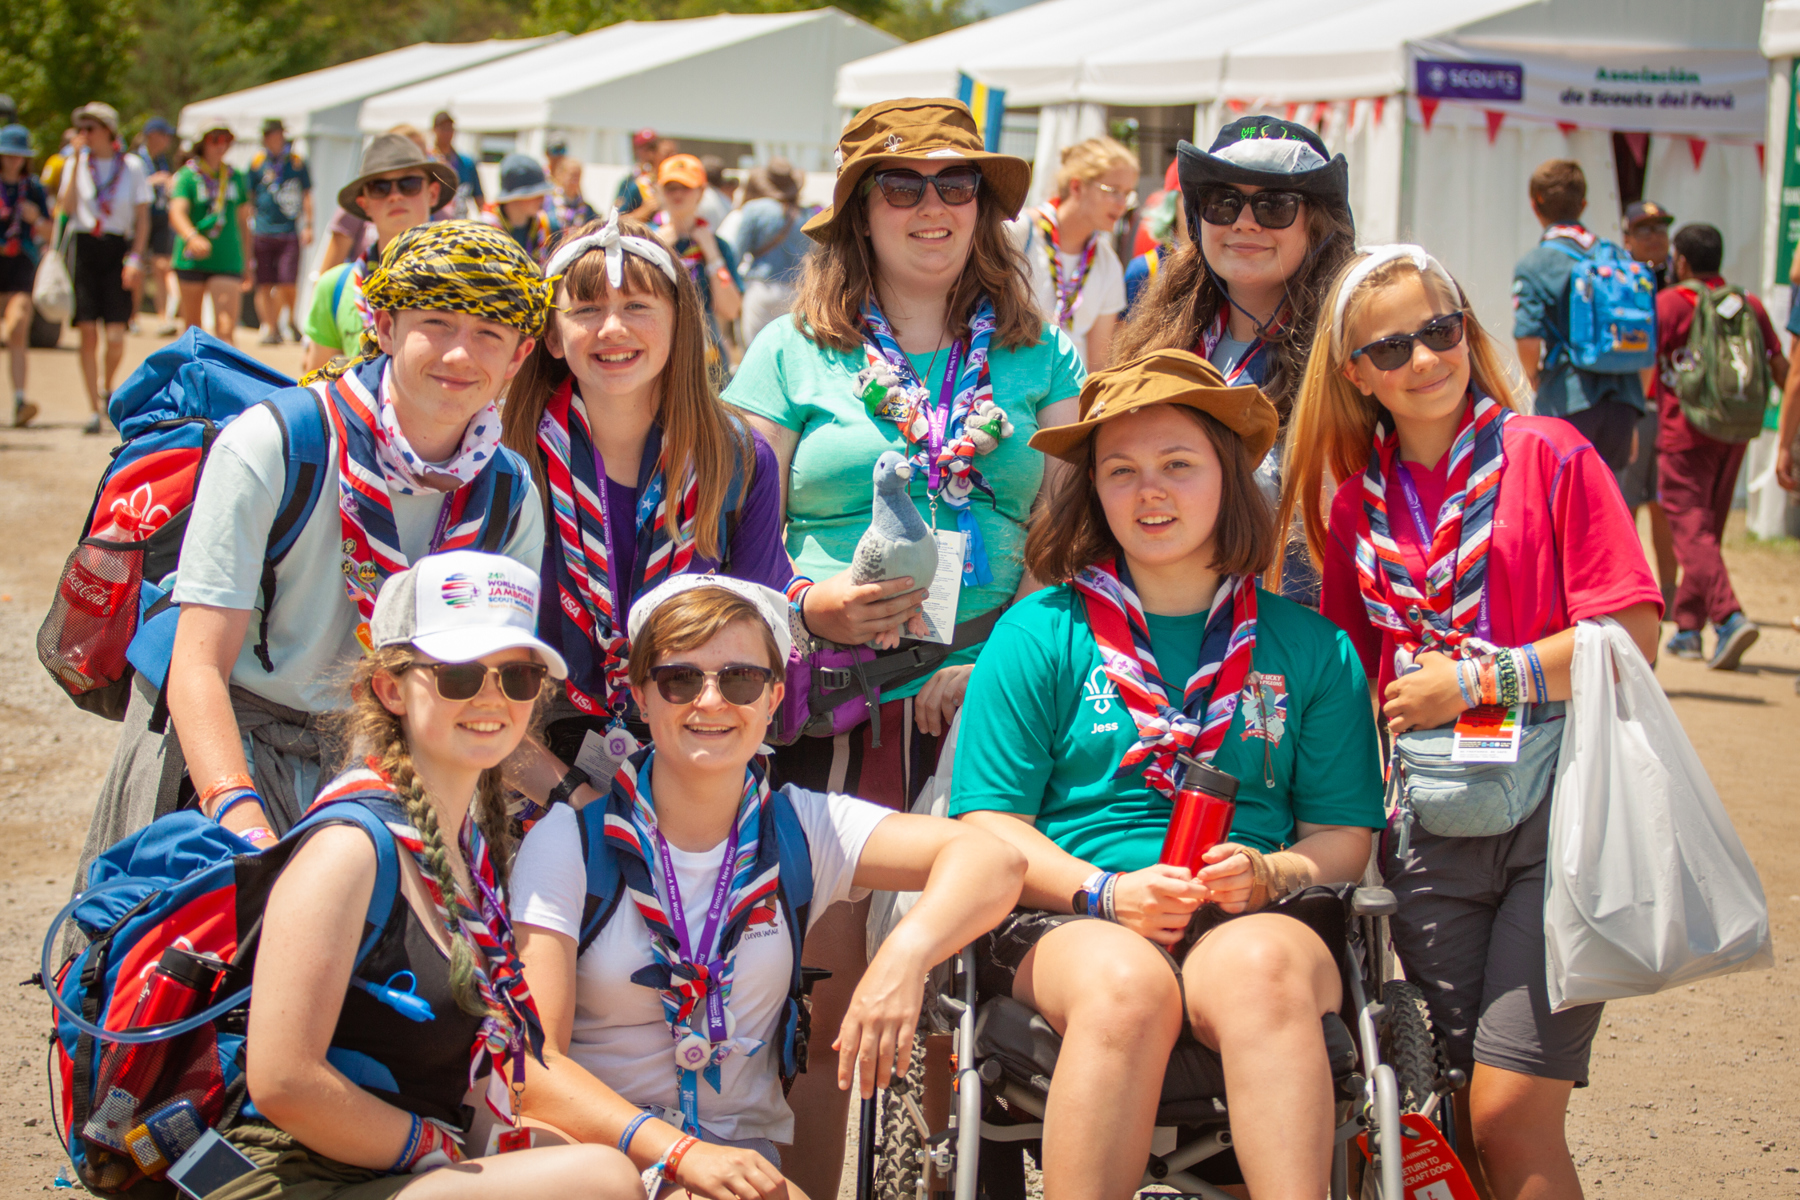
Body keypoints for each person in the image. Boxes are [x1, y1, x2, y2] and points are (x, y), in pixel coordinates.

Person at [724, 96, 1083, 1200]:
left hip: (998, 702)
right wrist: (810, 602)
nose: (933, 207)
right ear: (857, 210)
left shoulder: (1042, 354)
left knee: (959, 985)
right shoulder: (789, 351)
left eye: (957, 184)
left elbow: (1071, 541)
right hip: (834, 699)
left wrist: (1004, 661)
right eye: (903, 185)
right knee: (828, 991)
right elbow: (732, 540)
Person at [951, 349, 1385, 1200]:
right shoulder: (1037, 633)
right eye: (1122, 472)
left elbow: (1345, 837)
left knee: (1262, 972)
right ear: (1094, 492)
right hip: (1076, 916)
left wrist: (1275, 871)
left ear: (1228, 477)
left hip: (1258, 916)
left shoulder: (1313, 646)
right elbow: (989, 829)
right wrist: (1105, 893)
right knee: (1127, 985)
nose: (1150, 493)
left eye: (1178, 466)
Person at [1282, 244, 1662, 1200]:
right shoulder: (1353, 506)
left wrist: (1481, 680)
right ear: (1357, 376)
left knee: (1509, 1112)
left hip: (1560, 819)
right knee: (1452, 1106)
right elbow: (1342, 680)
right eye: (1391, 347)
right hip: (1429, 830)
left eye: (1440, 330)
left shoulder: (1550, 454)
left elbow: (1634, 633)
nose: (1423, 360)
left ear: (1469, 330)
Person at [74, 221, 551, 898]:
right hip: (225, 744)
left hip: (386, 765)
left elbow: (489, 694)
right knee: (193, 978)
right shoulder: (279, 444)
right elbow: (199, 663)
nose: (458, 354)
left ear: (520, 355)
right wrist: (244, 825)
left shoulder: (507, 494)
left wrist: (580, 801)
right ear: (384, 326)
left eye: (489, 335)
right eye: (436, 322)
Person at [508, 574, 1025, 1189]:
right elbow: (534, 1070)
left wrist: (905, 956)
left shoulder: (802, 826)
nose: (710, 701)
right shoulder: (571, 840)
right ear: (642, 699)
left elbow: (995, 861)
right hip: (601, 1163)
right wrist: (681, 1156)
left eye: (740, 679)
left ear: (774, 697)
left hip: (741, 1170)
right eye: (680, 678)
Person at [229, 548, 645, 1198]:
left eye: (517, 675)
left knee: (589, 1163)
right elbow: (283, 1082)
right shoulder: (350, 848)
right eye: (457, 674)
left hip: (390, 1164)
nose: (491, 696)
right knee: (601, 1182)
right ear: (389, 688)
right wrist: (432, 1149)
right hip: (294, 1175)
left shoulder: (464, 844)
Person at [497, 210, 790, 816]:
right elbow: (465, 668)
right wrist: (571, 798)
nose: (612, 329)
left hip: (694, 763)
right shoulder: (505, 458)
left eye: (637, 306)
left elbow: (756, 649)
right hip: (527, 766)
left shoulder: (739, 460)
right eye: (584, 311)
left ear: (680, 323)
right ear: (552, 337)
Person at [1113, 115, 1357, 605]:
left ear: (1318, 223)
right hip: (1167, 630)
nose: (1245, 221)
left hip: (1299, 637)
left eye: (1274, 204)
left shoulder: (1354, 350)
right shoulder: (1158, 342)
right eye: (1223, 203)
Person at [1652, 223, 1786, 670]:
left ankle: (1728, 618)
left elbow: (1648, 367)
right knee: (1706, 528)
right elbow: (1778, 363)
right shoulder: (1748, 303)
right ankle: (1689, 628)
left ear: (1682, 261)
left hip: (1683, 430)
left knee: (1690, 528)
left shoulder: (1669, 303)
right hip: (1736, 432)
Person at [1511, 160, 1648, 476]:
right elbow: (1644, 337)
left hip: (1568, 396)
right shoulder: (1618, 255)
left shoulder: (1534, 264)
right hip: (1624, 398)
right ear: (1583, 204)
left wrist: (1533, 376)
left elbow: (1528, 337)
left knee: (1559, 504)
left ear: (1535, 204)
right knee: (1609, 506)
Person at [301, 134, 456, 375]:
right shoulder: (335, 287)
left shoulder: (463, 281)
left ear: (433, 193)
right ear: (364, 204)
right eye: (379, 188)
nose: (395, 195)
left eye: (409, 184)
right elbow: (317, 387)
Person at [58, 101, 151, 436]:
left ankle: (106, 384)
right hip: (84, 248)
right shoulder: (75, 164)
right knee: (86, 330)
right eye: (81, 129)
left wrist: (137, 257)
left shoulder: (132, 166)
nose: (84, 135)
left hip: (117, 249)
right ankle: (90, 408)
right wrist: (73, 161)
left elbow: (142, 217)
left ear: (108, 131)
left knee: (115, 333)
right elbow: (65, 210)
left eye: (90, 128)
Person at [1011, 136, 1136, 369]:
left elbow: (1098, 364)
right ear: (1077, 186)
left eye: (1127, 193)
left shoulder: (1107, 262)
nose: (1122, 203)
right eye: (1113, 191)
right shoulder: (1018, 233)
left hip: (1068, 398)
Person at [1618, 199, 1679, 612]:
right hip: (1634, 405)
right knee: (1626, 506)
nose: (1655, 236)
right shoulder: (1617, 278)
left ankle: (1672, 598)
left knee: (1668, 509)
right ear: (1627, 238)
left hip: (1675, 408)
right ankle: (1633, 597)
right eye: (1645, 230)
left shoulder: (1683, 277)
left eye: (1660, 228)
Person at [652, 154, 741, 378]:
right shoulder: (643, 239)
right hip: (656, 349)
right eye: (670, 187)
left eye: (686, 187)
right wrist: (656, 249)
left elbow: (731, 309)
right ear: (659, 191)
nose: (678, 194)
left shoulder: (717, 244)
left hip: (705, 355)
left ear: (701, 192)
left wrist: (712, 256)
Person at [169, 122, 253, 345]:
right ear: (202, 142)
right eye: (215, 139)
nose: (221, 145)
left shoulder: (235, 176)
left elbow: (243, 221)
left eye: (226, 140)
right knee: (192, 330)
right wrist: (191, 237)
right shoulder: (187, 175)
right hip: (192, 260)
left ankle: (223, 379)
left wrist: (247, 261)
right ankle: (192, 378)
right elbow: (177, 212)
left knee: (226, 329)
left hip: (227, 258)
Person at [0, 124, 51, 427]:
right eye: (8, 154)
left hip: (21, 262)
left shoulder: (33, 187)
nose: (14, 160)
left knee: (17, 327)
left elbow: (51, 230)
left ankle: (20, 400)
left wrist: (37, 218)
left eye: (20, 155)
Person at [729, 158, 809, 349]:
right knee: (788, 352)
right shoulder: (807, 215)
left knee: (753, 351)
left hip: (761, 288)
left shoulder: (754, 209)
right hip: (795, 292)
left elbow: (737, 254)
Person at [247, 117, 313, 344]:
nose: (274, 139)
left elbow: (307, 194)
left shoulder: (295, 162)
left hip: (288, 230)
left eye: (278, 134)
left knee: (288, 282)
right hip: (263, 230)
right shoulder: (257, 163)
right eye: (270, 135)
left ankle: (291, 319)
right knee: (264, 282)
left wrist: (308, 224)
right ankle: (269, 327)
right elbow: (250, 196)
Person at [136, 117, 181, 336]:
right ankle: (133, 316)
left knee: (162, 266)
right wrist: (153, 181)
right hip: (140, 218)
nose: (168, 140)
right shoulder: (136, 160)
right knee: (136, 265)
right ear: (153, 135)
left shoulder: (163, 160)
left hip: (161, 218)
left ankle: (164, 317)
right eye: (165, 135)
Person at [1123, 161, 1185, 319]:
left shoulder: (1223, 269)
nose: (1200, 206)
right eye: (1189, 196)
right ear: (1172, 202)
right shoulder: (1143, 271)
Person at [486, 153, 560, 266]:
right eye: (535, 194)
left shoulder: (549, 228)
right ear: (514, 197)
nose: (542, 199)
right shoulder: (486, 230)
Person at [432, 110, 485, 219]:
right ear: (434, 130)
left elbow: (479, 198)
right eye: (443, 128)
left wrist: (485, 221)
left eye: (450, 128)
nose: (448, 133)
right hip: (436, 226)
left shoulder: (467, 163)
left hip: (461, 223)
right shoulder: (428, 162)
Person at [616, 131, 672, 221]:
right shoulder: (637, 184)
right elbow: (616, 220)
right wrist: (644, 211)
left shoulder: (677, 186)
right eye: (667, 154)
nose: (672, 159)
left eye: (674, 154)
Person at [548, 157, 597, 230]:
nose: (575, 180)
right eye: (572, 175)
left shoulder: (587, 209)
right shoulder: (548, 203)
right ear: (560, 176)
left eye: (578, 176)